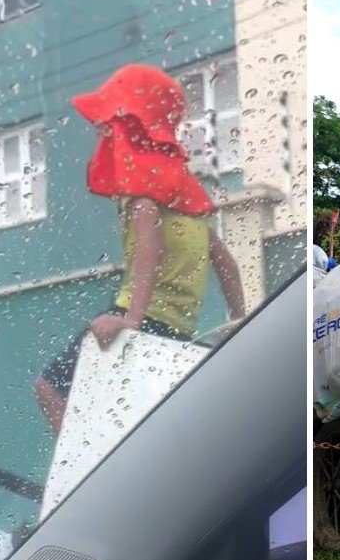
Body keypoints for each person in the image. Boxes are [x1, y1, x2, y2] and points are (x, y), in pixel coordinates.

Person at [34, 63, 247, 435]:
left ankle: (81, 478)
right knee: (134, 419)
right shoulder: (184, 189)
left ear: (130, 121)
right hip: (180, 331)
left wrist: (131, 318)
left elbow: (150, 242)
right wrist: (239, 320)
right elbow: (225, 261)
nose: (104, 131)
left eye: (111, 120)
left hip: (140, 317)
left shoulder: (141, 182)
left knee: (49, 388)